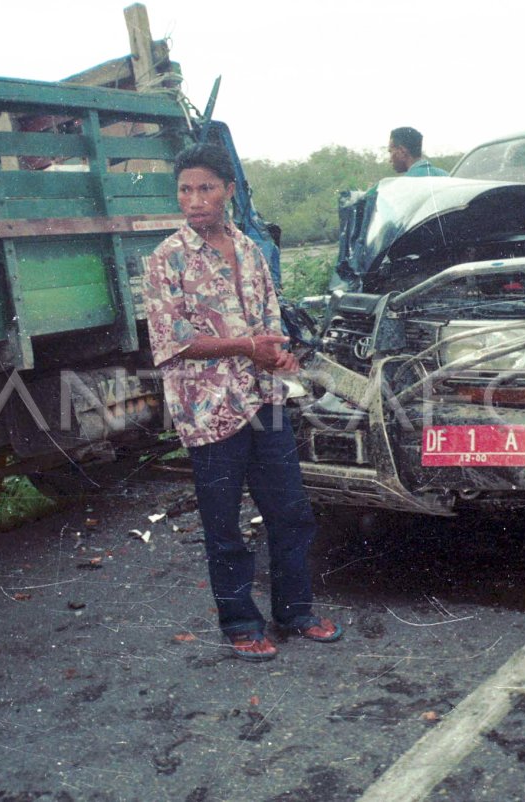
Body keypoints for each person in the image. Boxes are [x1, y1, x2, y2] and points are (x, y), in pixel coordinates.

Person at [143, 144, 341, 661]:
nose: (194, 199)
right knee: (224, 525)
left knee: (291, 512)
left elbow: (268, 320)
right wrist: (247, 348)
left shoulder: (250, 250)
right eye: (185, 189)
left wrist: (278, 355)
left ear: (229, 191)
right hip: (208, 412)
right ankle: (240, 623)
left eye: (205, 187)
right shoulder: (167, 259)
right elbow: (173, 341)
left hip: (264, 400)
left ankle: (296, 612)